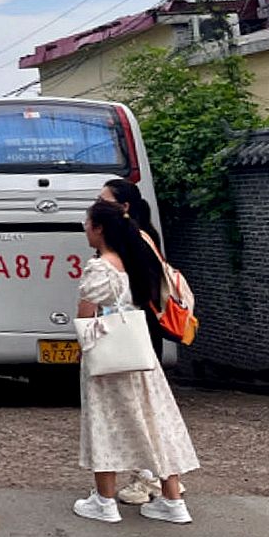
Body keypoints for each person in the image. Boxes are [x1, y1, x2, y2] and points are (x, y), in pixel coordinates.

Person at [73, 200, 199, 525]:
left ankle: (104, 501)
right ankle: (173, 501)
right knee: (157, 422)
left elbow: (86, 315)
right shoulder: (135, 259)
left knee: (105, 422)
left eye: (87, 223)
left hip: (108, 356)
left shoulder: (100, 268)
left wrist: (81, 348)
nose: (85, 229)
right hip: (141, 355)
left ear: (99, 228)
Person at [97, 178, 170, 506]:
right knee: (145, 407)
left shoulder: (132, 241)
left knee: (137, 408)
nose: (98, 205)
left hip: (134, 333)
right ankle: (161, 480)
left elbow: (132, 292)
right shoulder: (144, 235)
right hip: (141, 331)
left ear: (124, 207)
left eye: (105, 200)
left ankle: (149, 479)